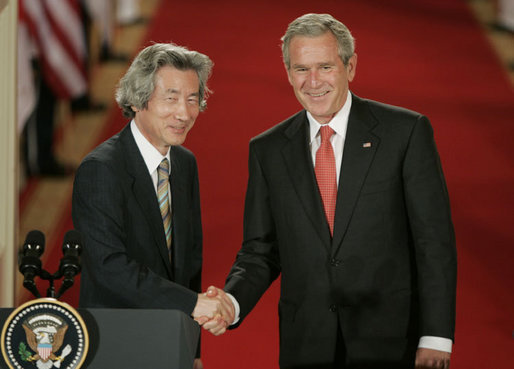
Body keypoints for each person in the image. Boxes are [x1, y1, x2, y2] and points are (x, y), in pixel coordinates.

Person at [204, 13, 457, 369]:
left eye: (325, 66)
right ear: (288, 73)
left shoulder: (406, 132)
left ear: (350, 67)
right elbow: (260, 251)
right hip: (306, 343)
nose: (312, 82)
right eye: (300, 69)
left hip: (390, 340)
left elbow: (434, 242)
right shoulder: (268, 149)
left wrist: (436, 335)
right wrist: (232, 302)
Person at [72, 43, 234, 369]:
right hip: (116, 342)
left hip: (169, 342)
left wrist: (193, 349)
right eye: (171, 98)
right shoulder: (101, 169)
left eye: (192, 100)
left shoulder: (184, 163)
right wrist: (194, 304)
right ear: (136, 100)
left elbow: (189, 263)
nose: (184, 113)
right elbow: (109, 268)